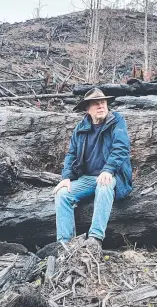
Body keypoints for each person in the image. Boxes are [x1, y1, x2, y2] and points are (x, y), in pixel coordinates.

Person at [53, 88, 132, 248]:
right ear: (87, 109)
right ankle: (66, 245)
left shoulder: (117, 121)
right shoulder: (81, 128)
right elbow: (71, 154)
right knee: (62, 194)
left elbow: (121, 147)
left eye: (103, 103)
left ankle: (95, 239)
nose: (101, 106)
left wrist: (108, 169)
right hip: (87, 178)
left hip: (113, 175)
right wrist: (66, 177)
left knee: (104, 185)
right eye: (96, 104)